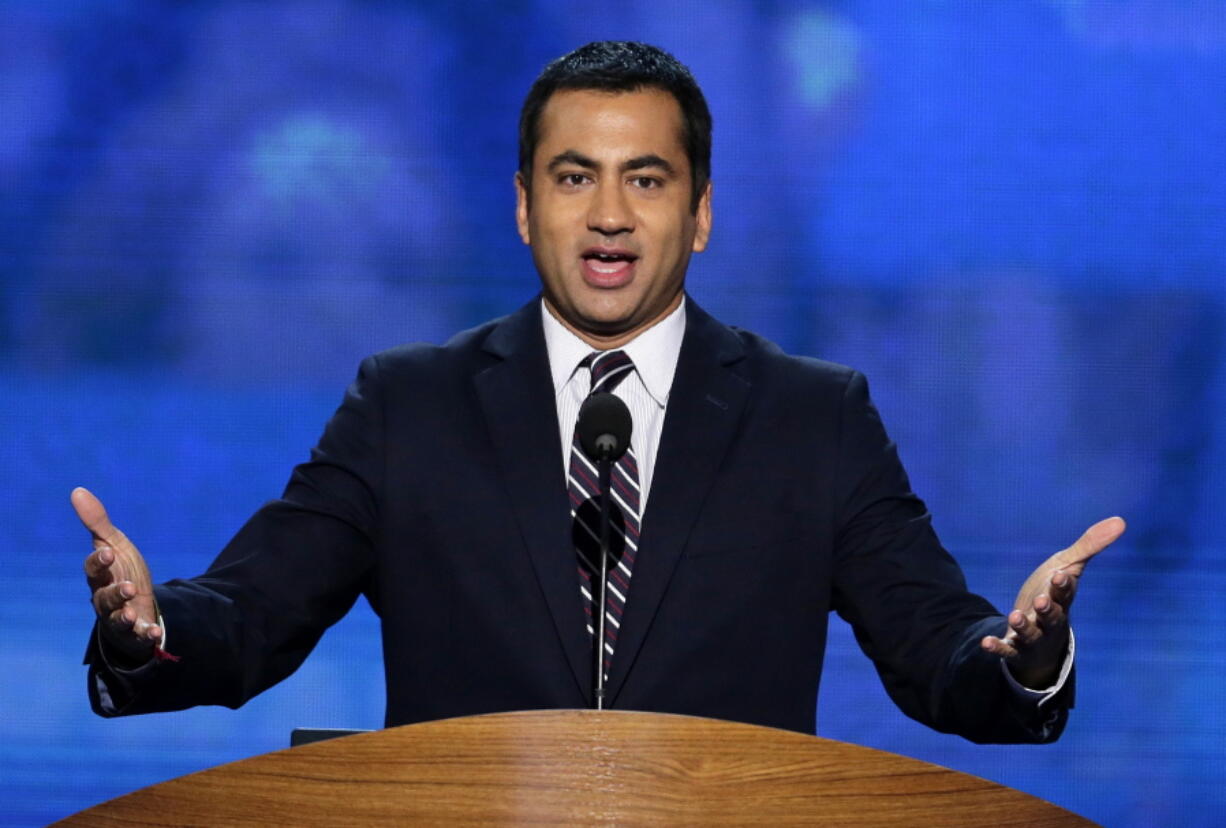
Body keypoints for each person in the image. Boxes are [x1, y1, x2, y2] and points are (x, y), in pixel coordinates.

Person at [78, 41, 1124, 740]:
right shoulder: (410, 406)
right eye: (574, 177)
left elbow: (935, 648)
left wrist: (1017, 653)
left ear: (701, 212)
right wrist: (147, 622)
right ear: (525, 208)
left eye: (646, 179)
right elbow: (252, 611)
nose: (609, 214)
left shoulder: (812, 416)